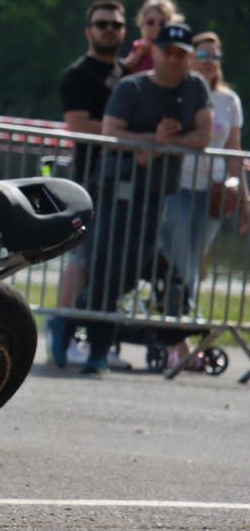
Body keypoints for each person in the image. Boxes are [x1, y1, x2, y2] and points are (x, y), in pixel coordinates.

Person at [49, 22, 212, 374]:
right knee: (105, 265)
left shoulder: (195, 87)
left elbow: (202, 135)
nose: (173, 60)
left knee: (130, 269)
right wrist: (152, 140)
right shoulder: (131, 86)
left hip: (156, 190)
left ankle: (67, 318)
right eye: (167, 52)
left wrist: (159, 145)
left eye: (181, 55)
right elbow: (112, 133)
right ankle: (95, 350)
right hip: (114, 188)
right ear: (155, 52)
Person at [159, 31, 248, 368]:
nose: (209, 62)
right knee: (178, 264)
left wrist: (243, 198)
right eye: (203, 55)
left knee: (193, 268)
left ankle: (178, 335)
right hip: (176, 187)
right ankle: (176, 344)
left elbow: (233, 153)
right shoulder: (178, 91)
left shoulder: (229, 100)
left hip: (210, 194)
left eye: (215, 57)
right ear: (190, 57)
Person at [52, 0, 131, 368]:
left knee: (111, 263)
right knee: (81, 258)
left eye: (116, 24)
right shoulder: (77, 74)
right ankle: (61, 328)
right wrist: (129, 134)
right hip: (88, 181)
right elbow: (78, 125)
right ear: (89, 31)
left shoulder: (127, 76)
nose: (109, 30)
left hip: (125, 183)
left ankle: (97, 338)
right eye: (102, 24)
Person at [122, 0, 181, 74]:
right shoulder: (139, 45)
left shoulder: (173, 47)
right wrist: (140, 52)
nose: (156, 27)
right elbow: (126, 66)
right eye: (150, 22)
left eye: (162, 23)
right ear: (143, 23)